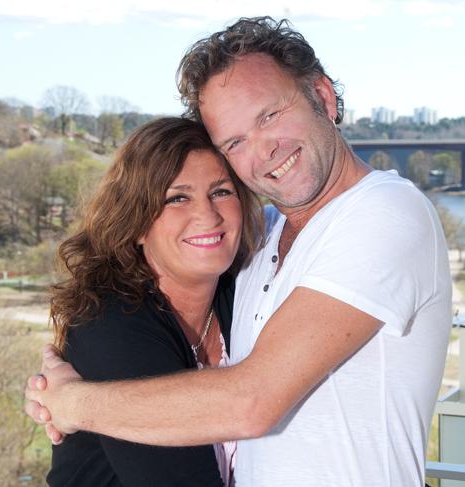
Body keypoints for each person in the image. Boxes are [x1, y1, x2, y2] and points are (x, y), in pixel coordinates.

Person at [26, 17, 451, 487]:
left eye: (269, 116)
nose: (264, 150)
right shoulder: (260, 237)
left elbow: (252, 402)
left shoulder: (385, 212)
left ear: (323, 97)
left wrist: (71, 402)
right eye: (234, 141)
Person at [39, 116, 263, 486]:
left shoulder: (242, 296)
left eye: (221, 191)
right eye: (177, 198)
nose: (207, 215)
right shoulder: (112, 327)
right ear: (138, 224)